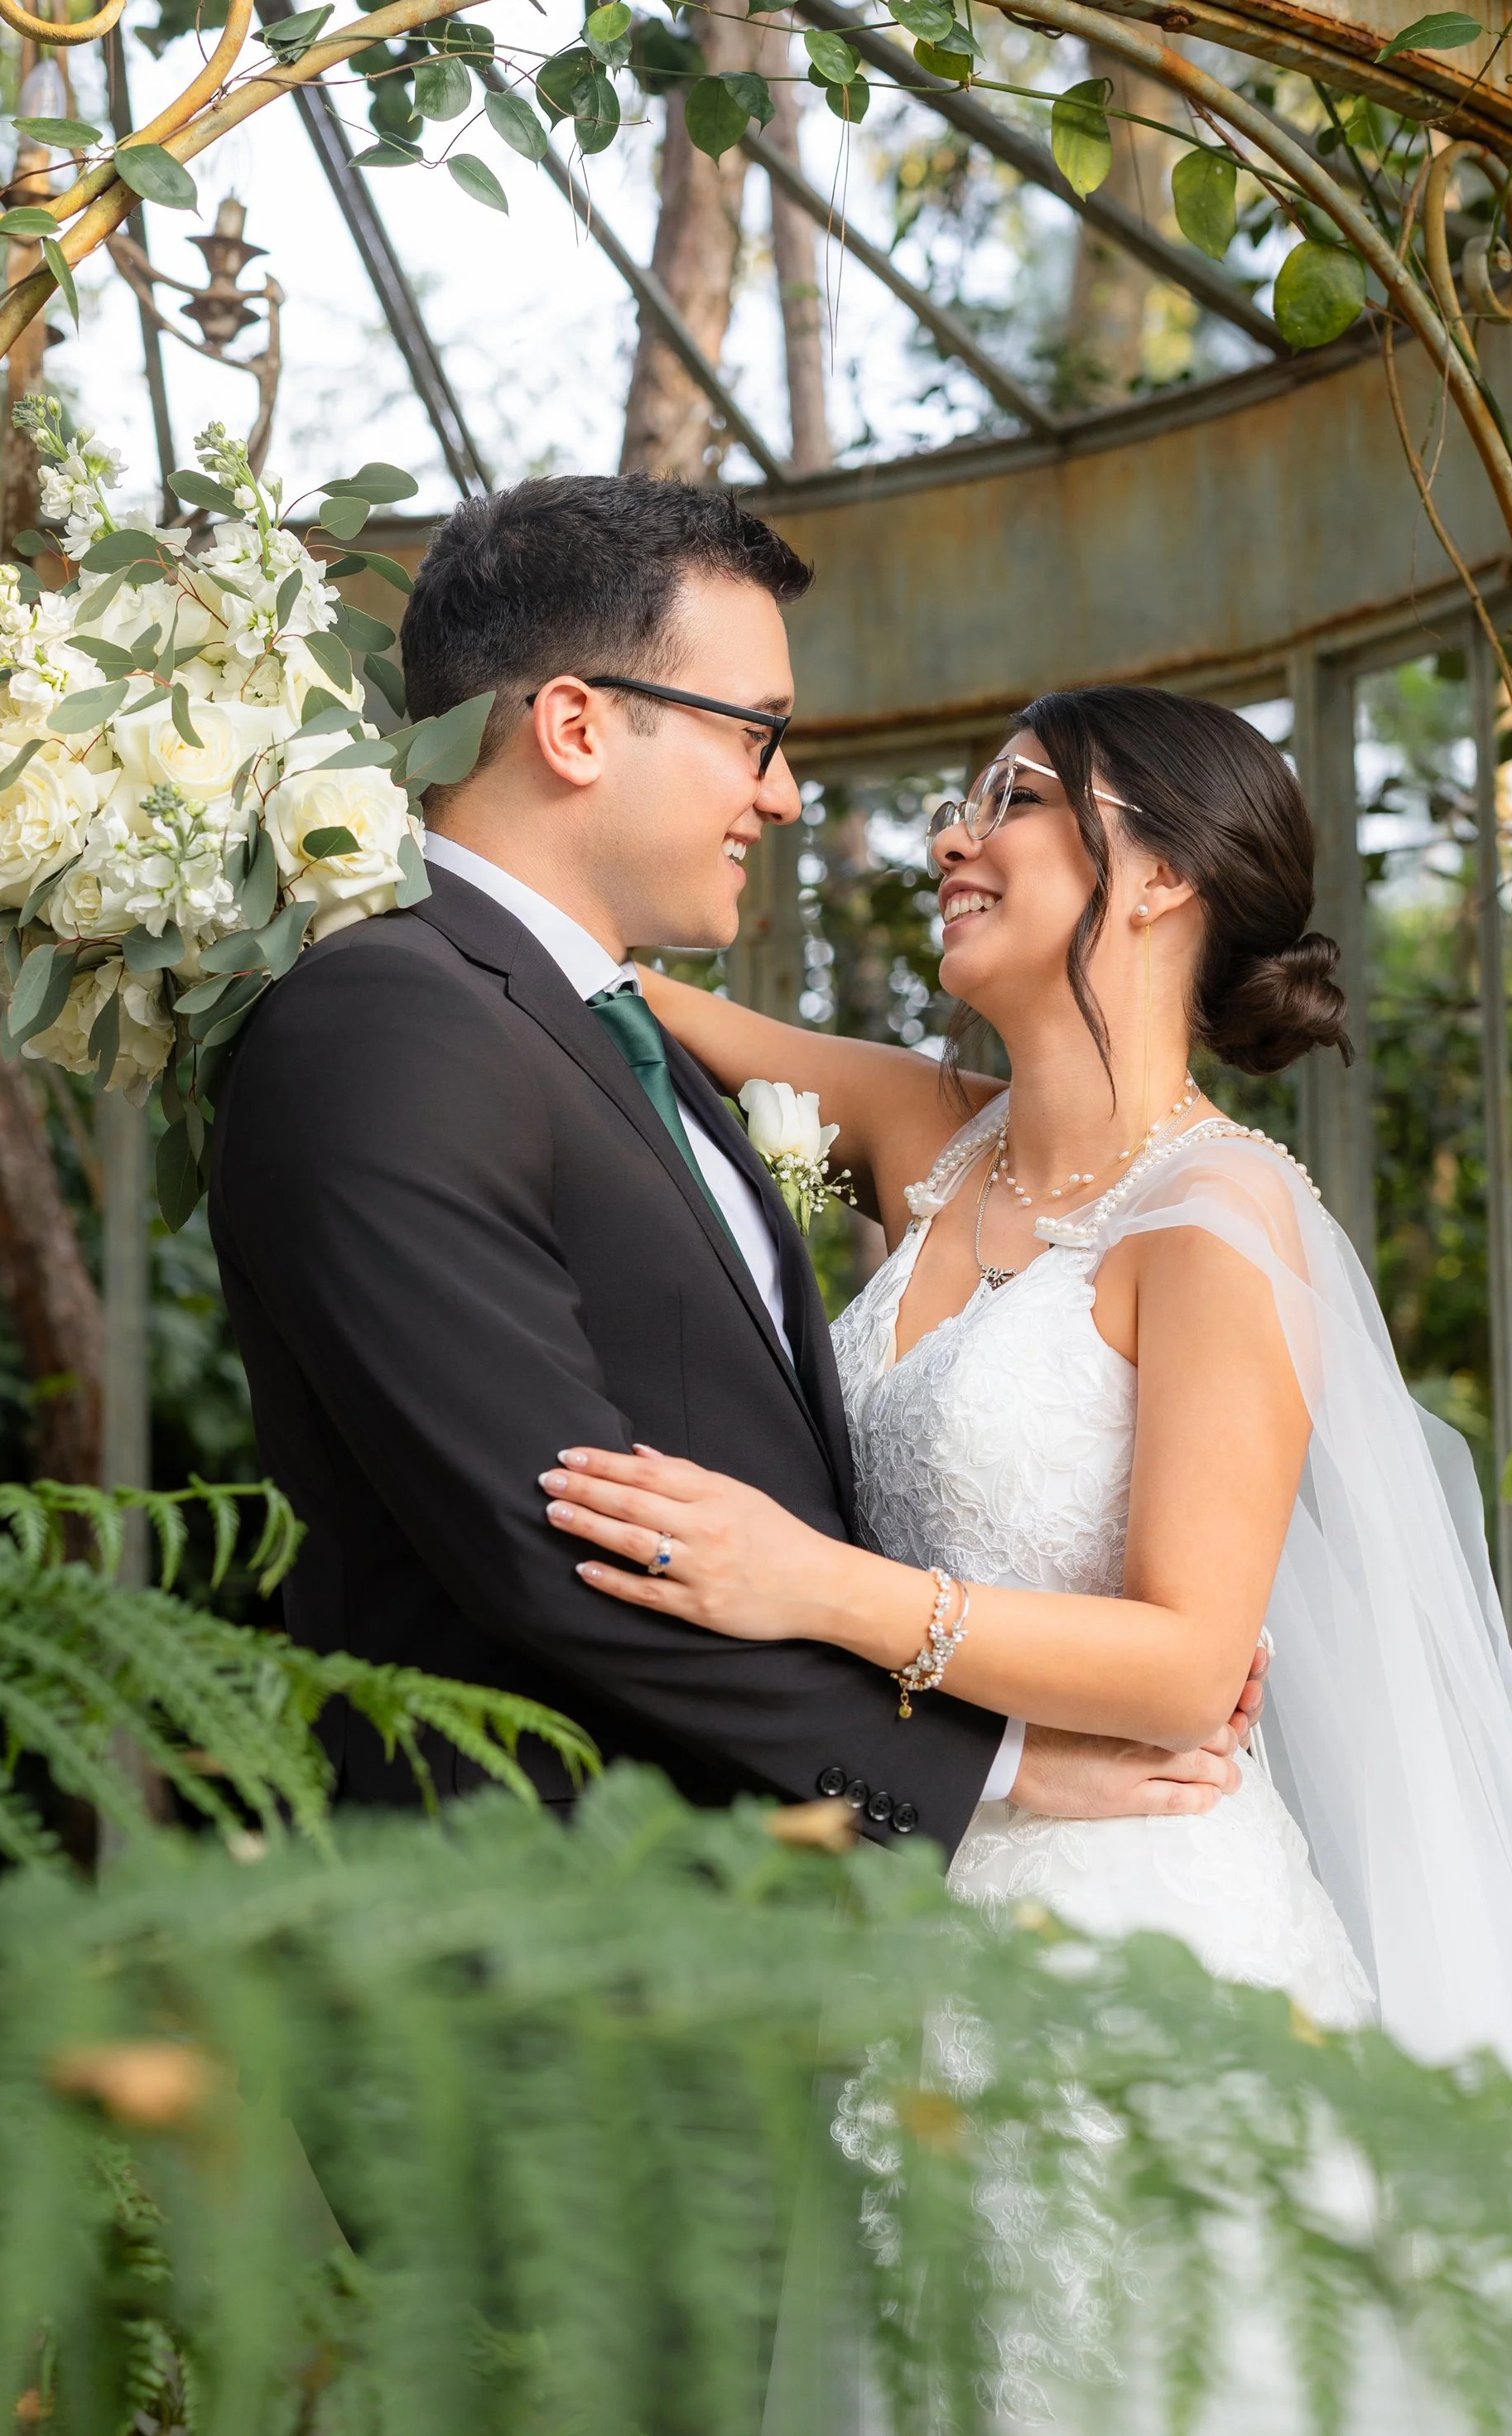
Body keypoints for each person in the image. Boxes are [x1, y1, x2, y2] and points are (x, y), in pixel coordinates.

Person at [539, 686, 1512, 2135]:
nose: (953, 837)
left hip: (1148, 1935)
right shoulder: (925, 1134)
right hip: (919, 1916)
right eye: (962, 801)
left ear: (1163, 873)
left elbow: (1193, 1666)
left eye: (1011, 798)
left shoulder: (1219, 1213)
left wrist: (811, 1585)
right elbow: (593, 991)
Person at [209, 481, 1261, 1840]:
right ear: (577, 727)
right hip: (556, 1918)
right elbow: (560, 1536)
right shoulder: (386, 1022)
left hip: (771, 1912)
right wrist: (994, 1771)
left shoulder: (600, 1031)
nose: (784, 792)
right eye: (757, 735)